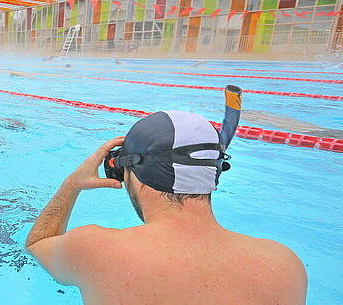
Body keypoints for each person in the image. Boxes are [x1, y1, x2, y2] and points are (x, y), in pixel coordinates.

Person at [25, 111, 307, 304]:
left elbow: (37, 244)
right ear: (214, 175)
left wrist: (71, 184)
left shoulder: (94, 248)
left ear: (134, 176)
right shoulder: (284, 266)